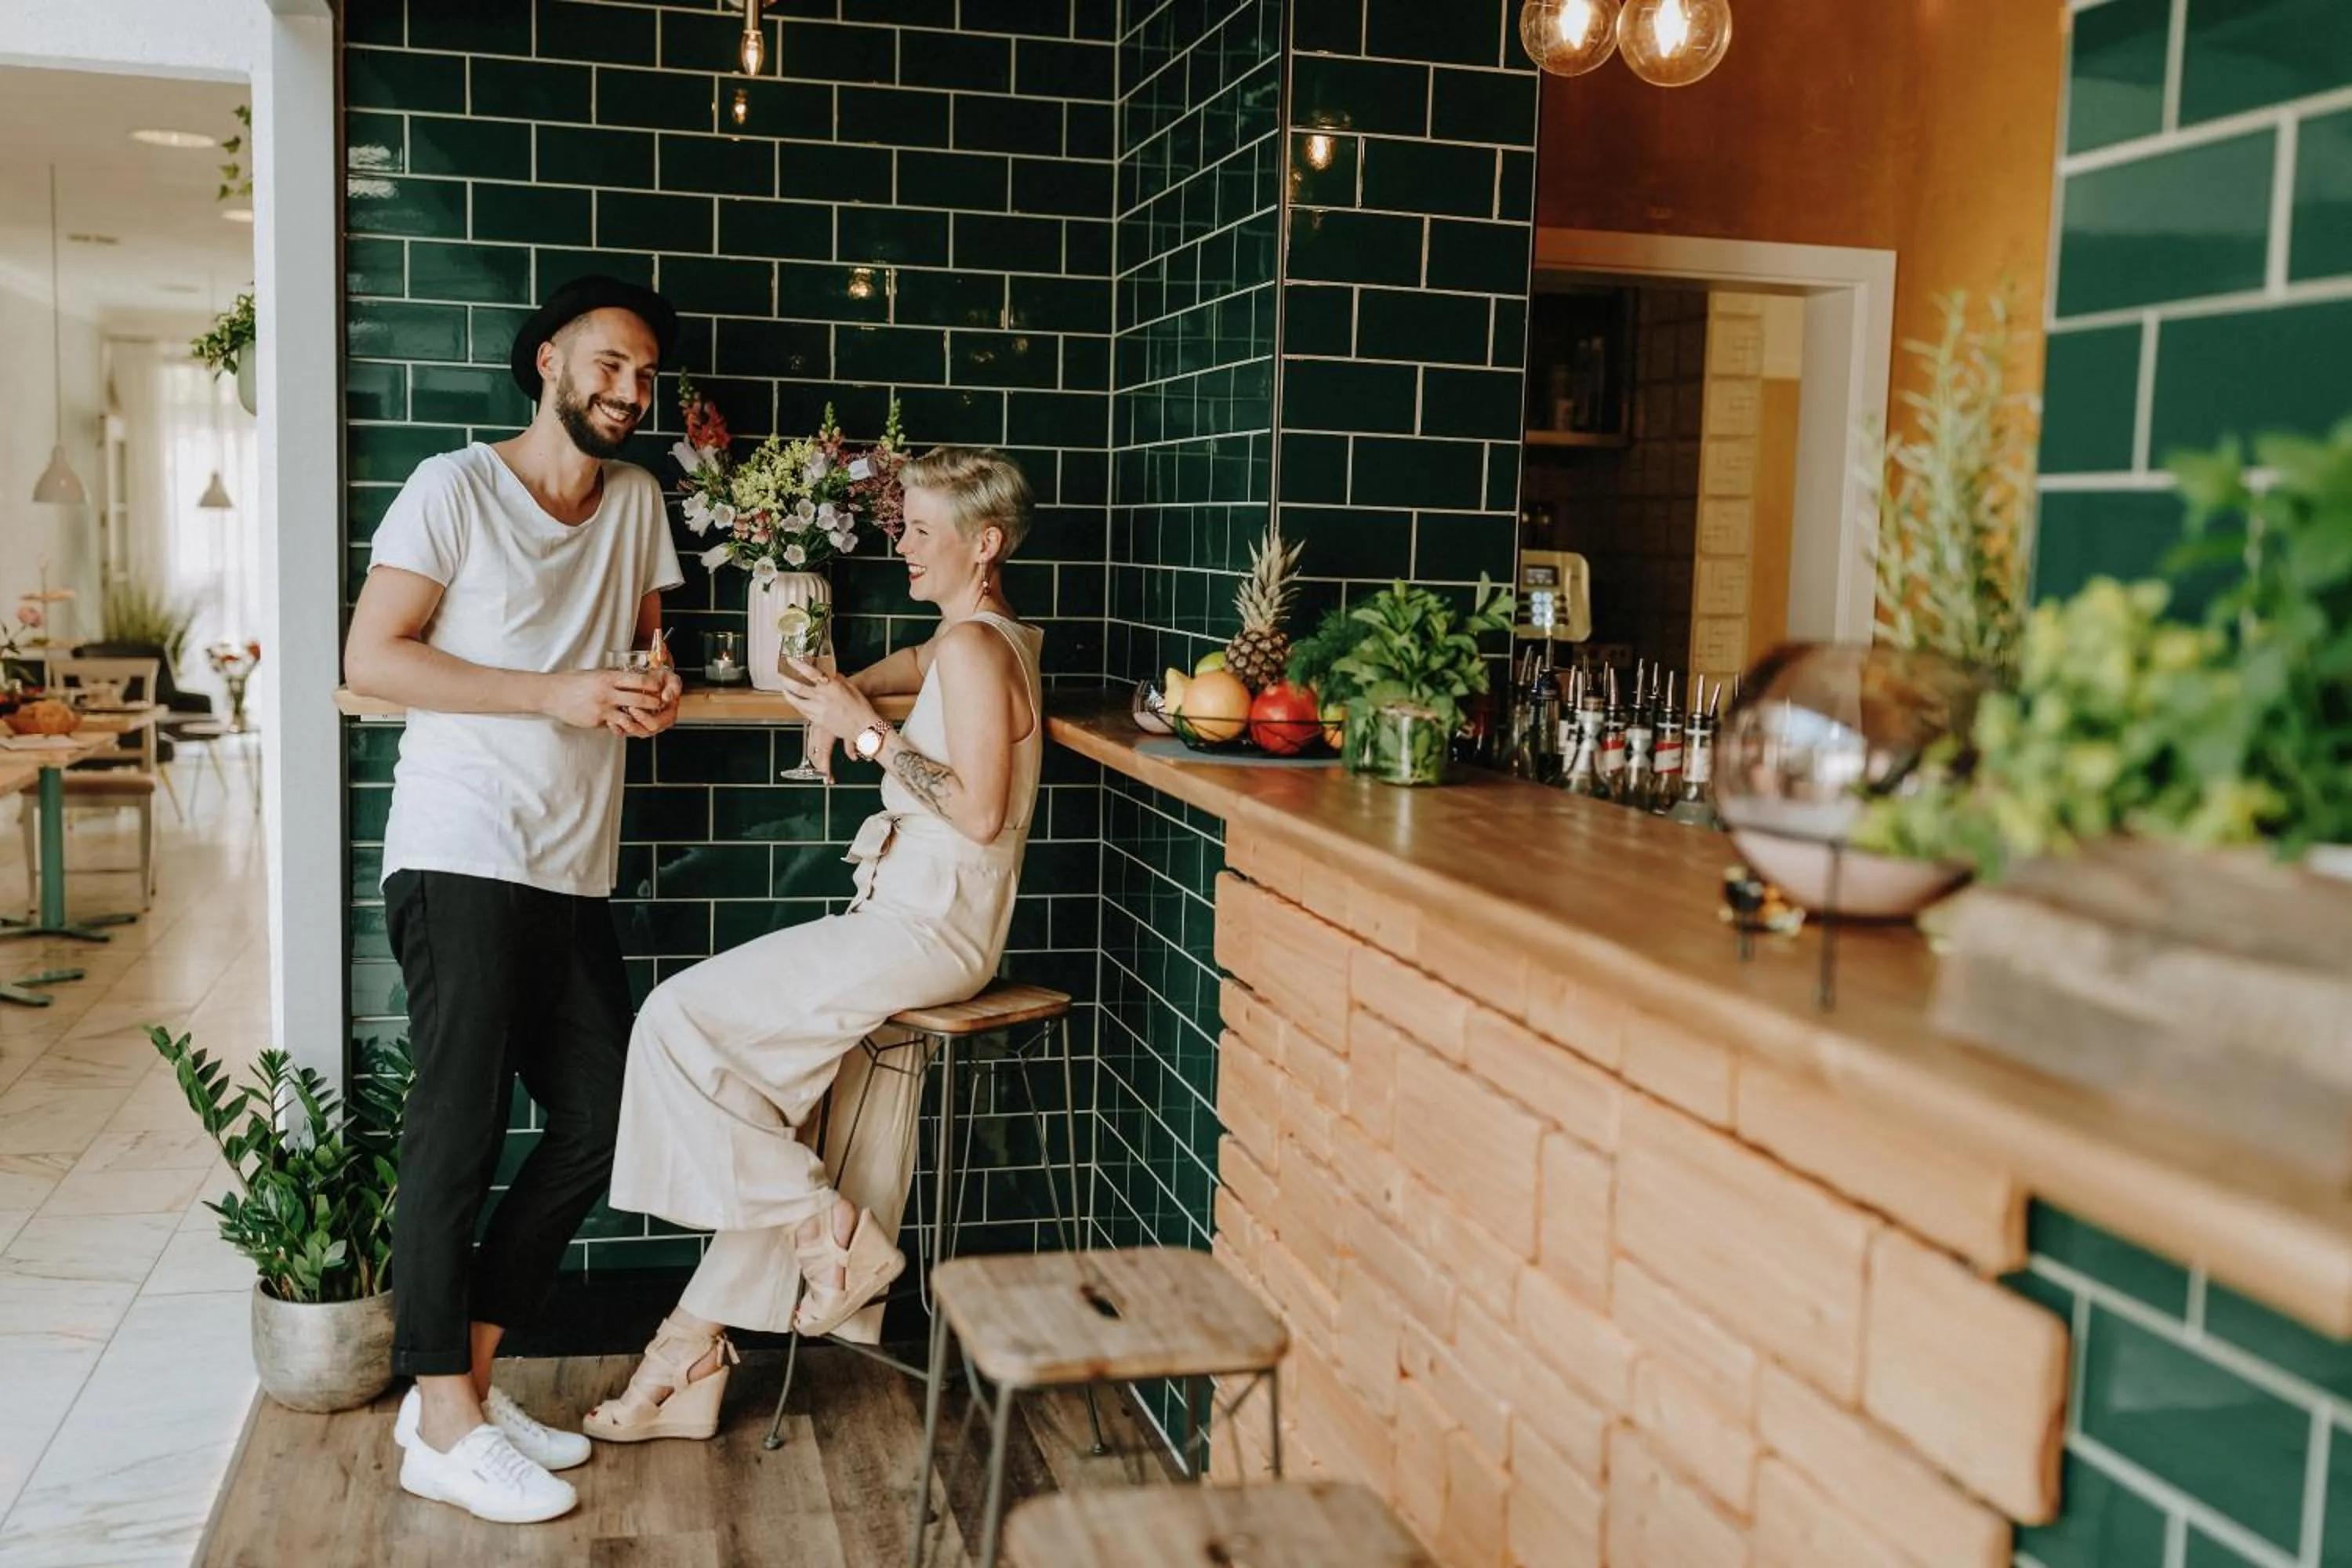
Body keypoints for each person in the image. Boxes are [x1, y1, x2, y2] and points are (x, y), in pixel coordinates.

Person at [585, 447, 1044, 1443]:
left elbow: (977, 812)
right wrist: (844, 692)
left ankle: (825, 1228)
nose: (902, 543)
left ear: (984, 543)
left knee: (673, 1019)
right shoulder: (980, 636)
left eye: (920, 529)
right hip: (916, 920)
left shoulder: (977, 650)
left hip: (926, 928)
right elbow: (921, 662)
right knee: (764, 1107)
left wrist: (865, 732)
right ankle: (691, 1349)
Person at [341, 275, 687, 1523]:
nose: (628, 391)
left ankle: (464, 1395)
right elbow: (371, 657)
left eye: (644, 375)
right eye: (608, 364)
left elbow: (643, 643)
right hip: (461, 845)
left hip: (572, 860)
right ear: (548, 362)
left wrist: (654, 685)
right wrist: (551, 693)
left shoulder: (637, 499)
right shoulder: (453, 487)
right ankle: (440, 1421)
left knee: (600, 1118)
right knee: (460, 1129)